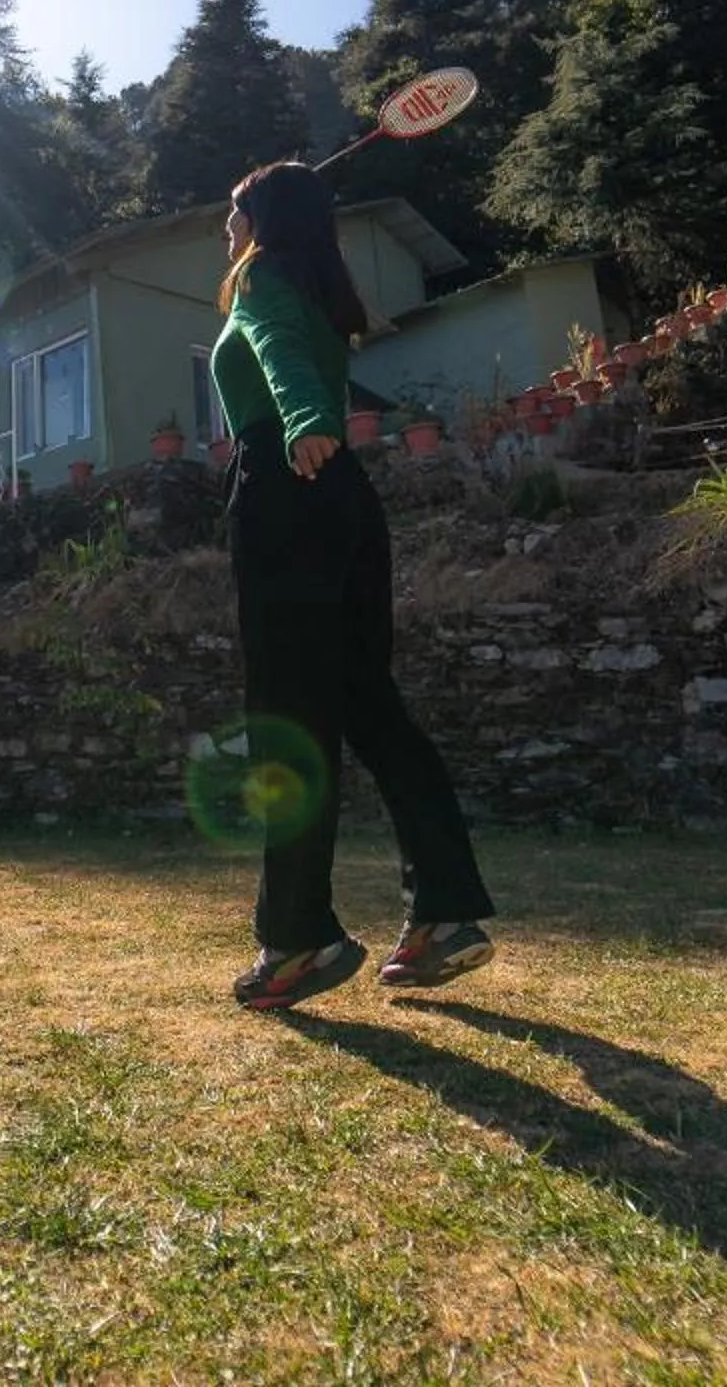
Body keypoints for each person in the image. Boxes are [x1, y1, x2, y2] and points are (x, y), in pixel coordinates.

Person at [210, 161, 496, 1010]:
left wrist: (304, 423)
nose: (225, 234)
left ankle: (300, 939)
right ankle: (445, 916)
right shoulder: (317, 286)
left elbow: (276, 353)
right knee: (371, 708)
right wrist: (319, 429)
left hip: (287, 488)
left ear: (261, 220)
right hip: (346, 501)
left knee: (290, 723)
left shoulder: (262, 278)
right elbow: (296, 349)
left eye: (234, 216)